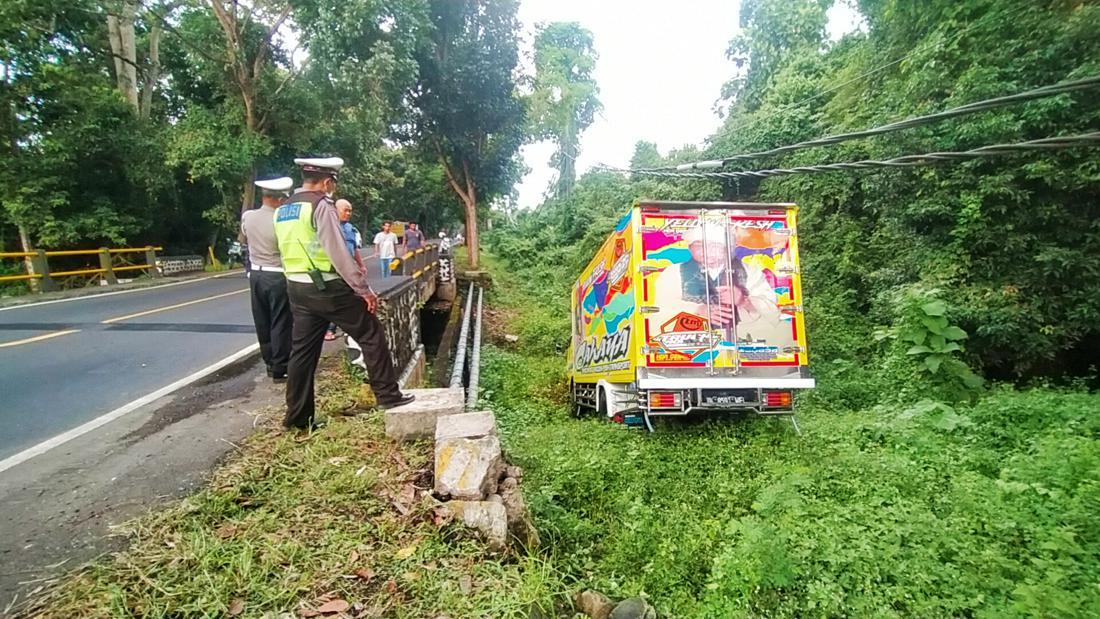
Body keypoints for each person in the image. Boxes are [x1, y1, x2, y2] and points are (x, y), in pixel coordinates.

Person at [274, 157, 414, 431]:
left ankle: (298, 419)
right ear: (327, 182)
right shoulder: (320, 205)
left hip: (296, 286)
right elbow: (337, 251)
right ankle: (388, 396)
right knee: (371, 333)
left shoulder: (284, 208)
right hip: (326, 286)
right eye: (333, 184)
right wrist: (363, 289)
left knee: (302, 353)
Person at [240, 176, 294, 383]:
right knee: (280, 321)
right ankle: (281, 367)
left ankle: (270, 364)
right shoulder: (281, 220)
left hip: (255, 274)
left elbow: (246, 236)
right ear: (279, 199)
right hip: (277, 274)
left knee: (262, 320)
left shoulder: (249, 216)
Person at [326, 199, 364, 341]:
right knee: (334, 301)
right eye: (345, 210)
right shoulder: (328, 226)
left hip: (349, 270)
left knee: (350, 299)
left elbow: (354, 249)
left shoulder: (350, 228)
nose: (348, 213)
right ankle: (330, 329)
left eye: (350, 210)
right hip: (334, 270)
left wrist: (361, 265)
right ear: (335, 210)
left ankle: (349, 329)